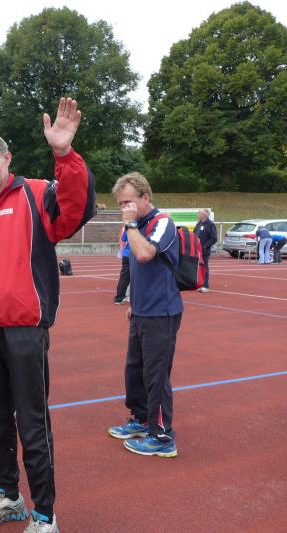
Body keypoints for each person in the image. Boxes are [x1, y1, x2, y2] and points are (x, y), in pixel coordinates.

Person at [0, 98, 95, 533]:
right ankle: (9, 496)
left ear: (8, 160)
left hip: (25, 330)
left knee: (32, 423)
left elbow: (75, 209)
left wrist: (64, 153)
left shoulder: (37, 193)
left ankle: (44, 515)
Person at [107, 172, 182, 459]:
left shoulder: (162, 222)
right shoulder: (136, 225)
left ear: (145, 197)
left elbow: (144, 255)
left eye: (128, 202)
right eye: (120, 204)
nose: (124, 208)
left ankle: (162, 437)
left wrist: (130, 224)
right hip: (140, 311)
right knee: (135, 370)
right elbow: (138, 272)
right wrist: (134, 303)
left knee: (155, 375)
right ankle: (141, 419)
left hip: (161, 313)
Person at [193, 208, 217, 292]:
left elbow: (214, 238)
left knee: (204, 266)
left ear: (204, 215)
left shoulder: (210, 224)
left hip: (204, 250)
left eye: (199, 213)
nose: (198, 214)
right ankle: (199, 284)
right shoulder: (199, 223)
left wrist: (205, 246)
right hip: (196, 250)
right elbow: (194, 234)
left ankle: (205, 285)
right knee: (198, 267)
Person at [114, 227, 131, 304]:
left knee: (124, 277)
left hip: (126, 255)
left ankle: (119, 298)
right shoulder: (143, 226)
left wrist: (121, 254)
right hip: (136, 255)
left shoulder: (127, 228)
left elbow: (122, 241)